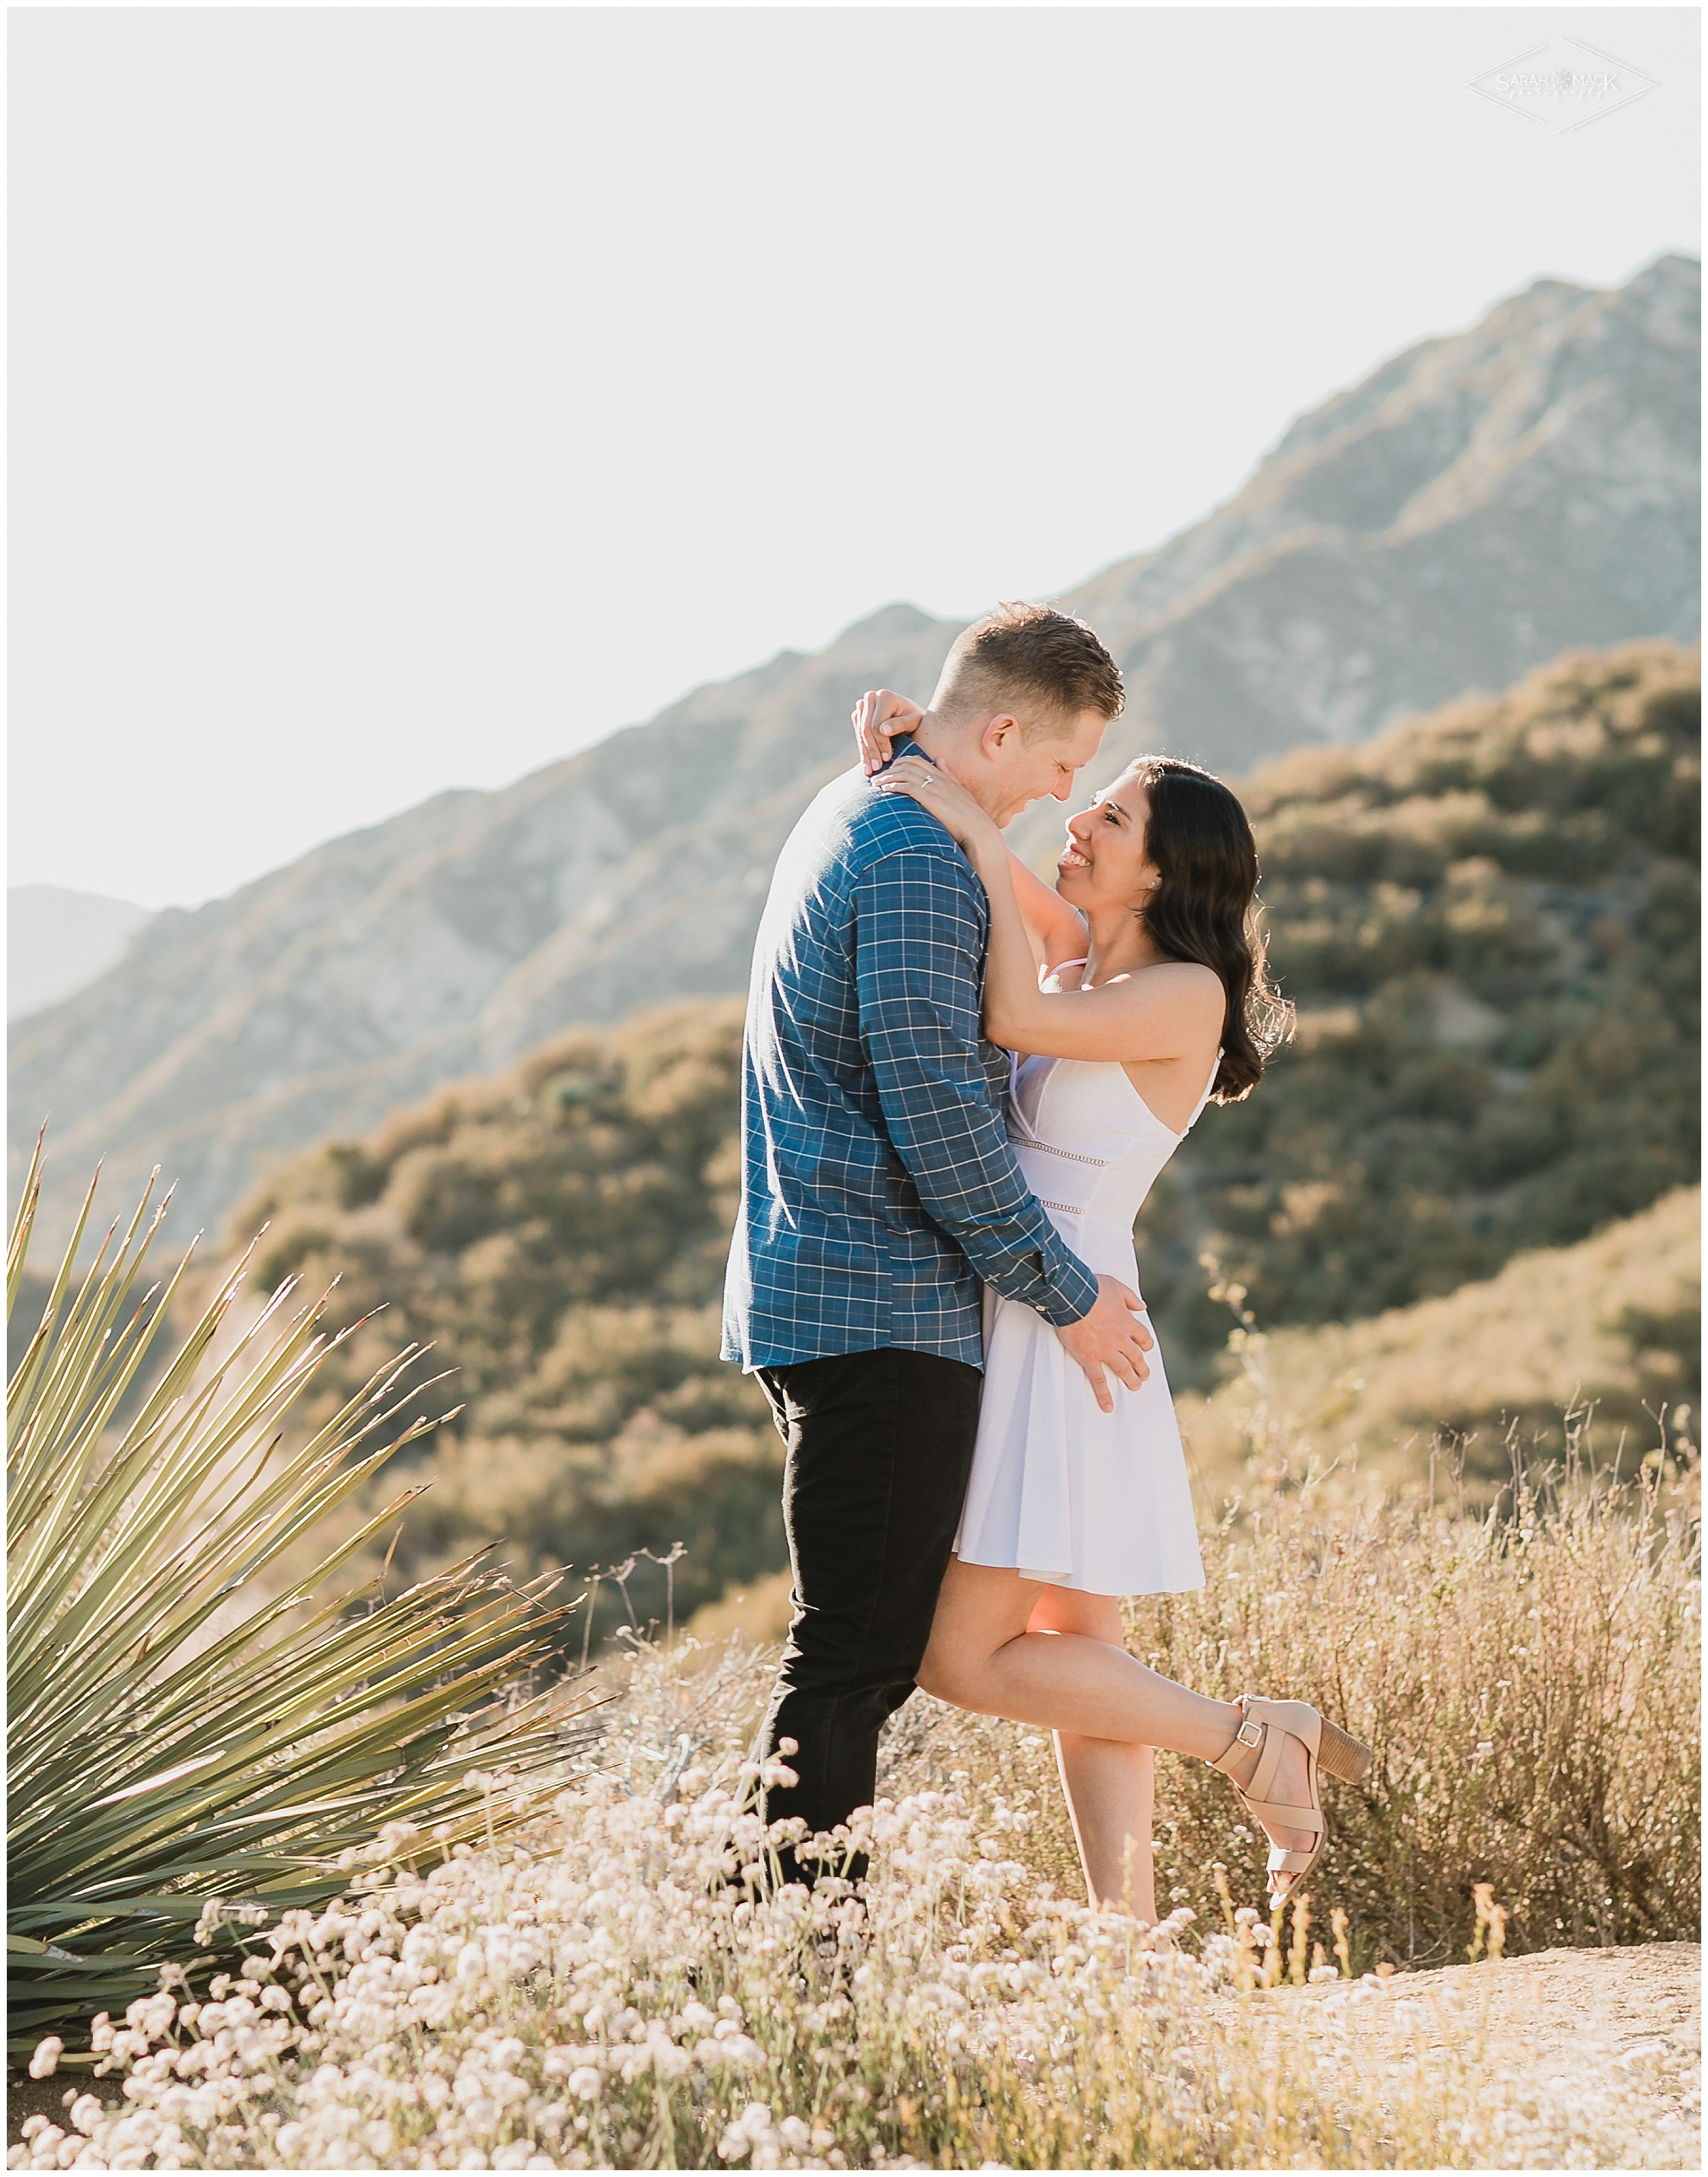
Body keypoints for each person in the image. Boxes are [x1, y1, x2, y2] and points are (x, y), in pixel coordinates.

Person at [853, 685, 1371, 1914]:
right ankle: (1128, 1956)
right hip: (1045, 1310)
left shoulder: (1186, 993)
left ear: (1160, 873)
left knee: (960, 1656)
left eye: (1114, 813)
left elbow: (1007, 1005)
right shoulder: (1094, 957)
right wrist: (908, 759)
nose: (1079, 818)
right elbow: (983, 859)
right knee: (1086, 1659)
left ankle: (1251, 1740)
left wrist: (941, 792)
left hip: (1074, 1326)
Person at [721, 603, 1154, 1886]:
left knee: (846, 1654)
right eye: (1062, 764)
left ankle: (774, 1969)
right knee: (850, 1660)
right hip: (882, 1307)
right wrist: (1068, 1293)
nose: (1063, 794)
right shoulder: (913, 855)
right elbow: (941, 1121)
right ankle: (789, 1983)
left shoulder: (860, 805)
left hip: (833, 1292)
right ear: (1006, 727)